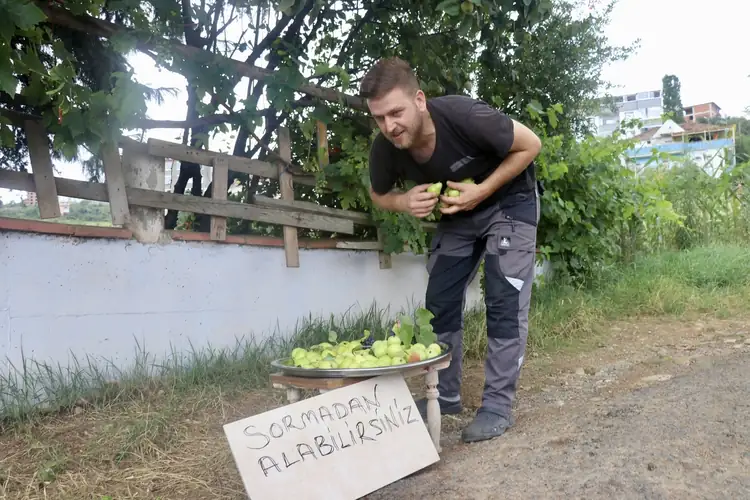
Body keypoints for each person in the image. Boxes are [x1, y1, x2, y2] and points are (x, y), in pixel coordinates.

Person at [360, 57, 542, 444]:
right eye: (379, 118)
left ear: (420, 100)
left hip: (510, 202)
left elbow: (530, 145)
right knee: (438, 304)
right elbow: (378, 195)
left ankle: (496, 407)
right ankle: (443, 396)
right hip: (459, 213)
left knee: (503, 302)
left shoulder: (465, 116)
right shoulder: (387, 148)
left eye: (396, 112)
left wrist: (482, 191)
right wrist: (403, 202)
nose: (390, 126)